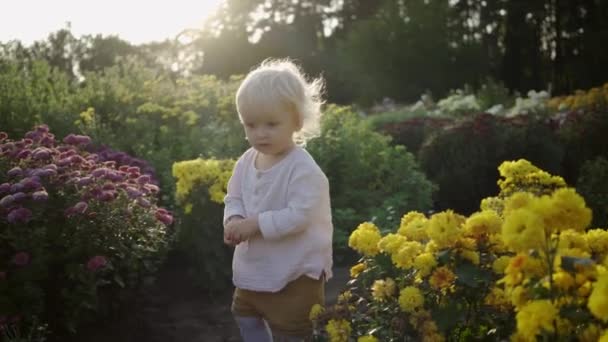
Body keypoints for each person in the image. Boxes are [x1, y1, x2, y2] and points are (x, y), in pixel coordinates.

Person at [222, 58, 333, 342]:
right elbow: (233, 196)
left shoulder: (302, 168)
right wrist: (234, 219)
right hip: (256, 266)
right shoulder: (246, 161)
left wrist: (256, 224)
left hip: (295, 271)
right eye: (251, 124)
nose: (260, 133)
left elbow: (300, 215)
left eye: (271, 124)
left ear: (296, 121)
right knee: (244, 313)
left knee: (292, 329)